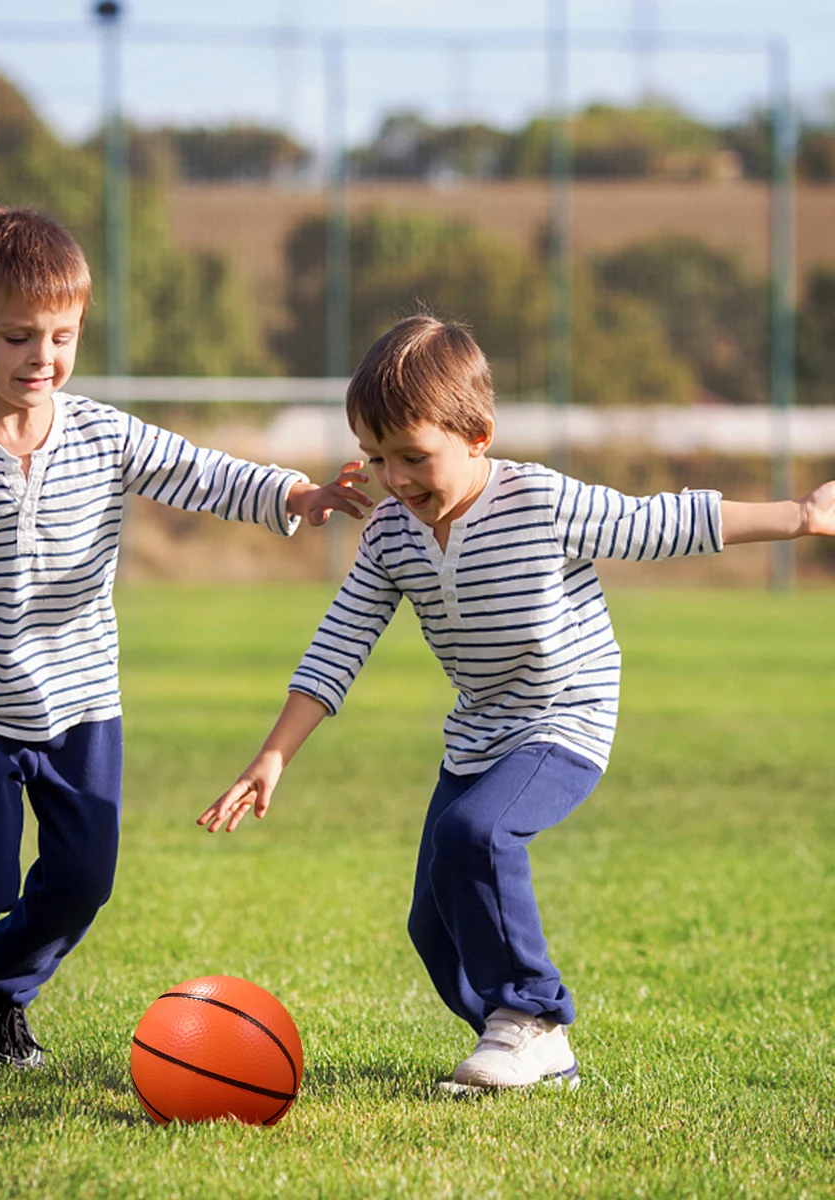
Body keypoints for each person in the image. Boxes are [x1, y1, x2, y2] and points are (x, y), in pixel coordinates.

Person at [199, 314, 835, 1091]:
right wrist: (272, 755)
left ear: (478, 436)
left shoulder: (541, 501)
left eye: (413, 456)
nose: (395, 479)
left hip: (566, 716)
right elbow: (340, 641)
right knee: (432, 925)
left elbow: (661, 521)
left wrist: (801, 516)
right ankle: (529, 1048)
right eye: (376, 457)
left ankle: (532, 1016)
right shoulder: (392, 533)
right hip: (480, 732)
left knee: (477, 834)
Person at [0, 206, 372, 1074]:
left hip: (82, 707)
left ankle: (0, 992)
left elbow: (198, 470)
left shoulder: (102, 432)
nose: (42, 358)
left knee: (83, 878)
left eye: (61, 336)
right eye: (17, 336)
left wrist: (293, 495)